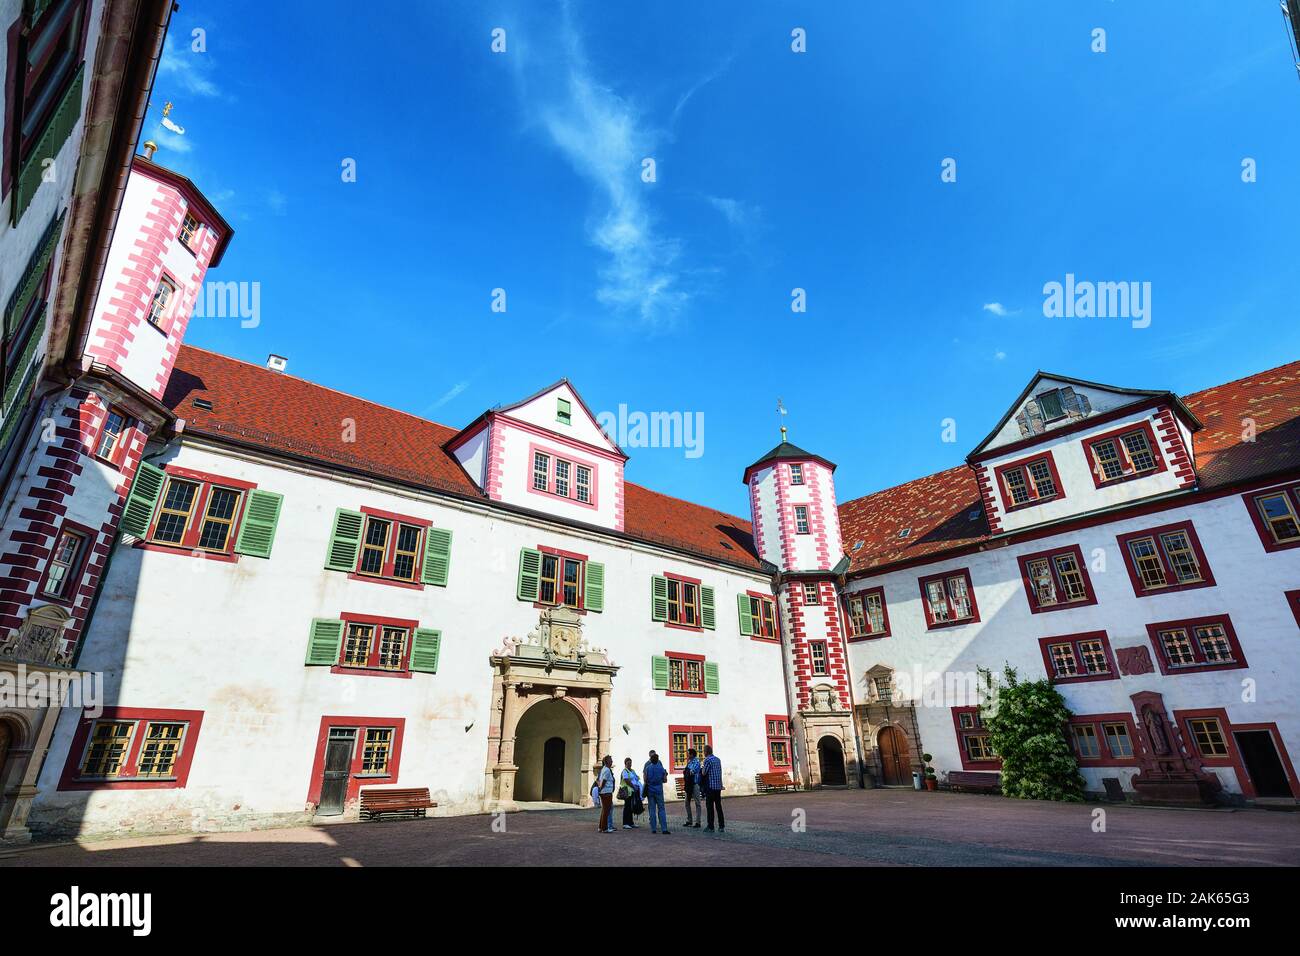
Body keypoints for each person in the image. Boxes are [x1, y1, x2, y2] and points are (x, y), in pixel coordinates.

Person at [641, 749, 670, 834]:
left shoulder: (648, 767)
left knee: (652, 809)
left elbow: (645, 779)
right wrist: (664, 775)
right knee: (661, 809)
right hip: (659, 790)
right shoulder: (661, 768)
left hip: (650, 790)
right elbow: (665, 780)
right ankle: (664, 828)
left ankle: (653, 828)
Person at [700, 744, 724, 832]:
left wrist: (702, 768)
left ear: (706, 752)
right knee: (718, 806)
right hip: (718, 786)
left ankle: (711, 826)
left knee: (709, 807)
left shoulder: (707, 760)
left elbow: (703, 773)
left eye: (703, 752)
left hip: (710, 786)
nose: (703, 753)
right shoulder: (718, 759)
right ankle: (721, 826)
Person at [682, 748, 703, 828]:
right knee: (687, 802)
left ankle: (698, 822)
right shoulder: (689, 762)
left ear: (692, 754)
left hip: (694, 784)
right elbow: (687, 772)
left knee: (697, 803)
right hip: (688, 785)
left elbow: (692, 772)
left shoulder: (696, 762)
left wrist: (687, 772)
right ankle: (689, 820)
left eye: (688, 753)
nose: (687, 755)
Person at [619, 757, 643, 829]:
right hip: (627, 791)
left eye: (630, 763)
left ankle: (631, 822)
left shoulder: (632, 770)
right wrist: (633, 786)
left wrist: (636, 779)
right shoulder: (624, 771)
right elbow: (626, 781)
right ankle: (625, 823)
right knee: (627, 807)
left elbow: (636, 777)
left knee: (631, 807)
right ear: (625, 764)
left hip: (632, 791)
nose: (630, 764)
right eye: (628, 763)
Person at [596, 755, 616, 833]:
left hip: (604, 792)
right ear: (607, 762)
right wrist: (601, 788)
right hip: (606, 792)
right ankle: (604, 828)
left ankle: (601, 827)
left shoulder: (603, 769)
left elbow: (599, 780)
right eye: (611, 760)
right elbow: (604, 781)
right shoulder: (607, 770)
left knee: (604, 810)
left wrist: (600, 788)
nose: (612, 762)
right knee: (606, 810)